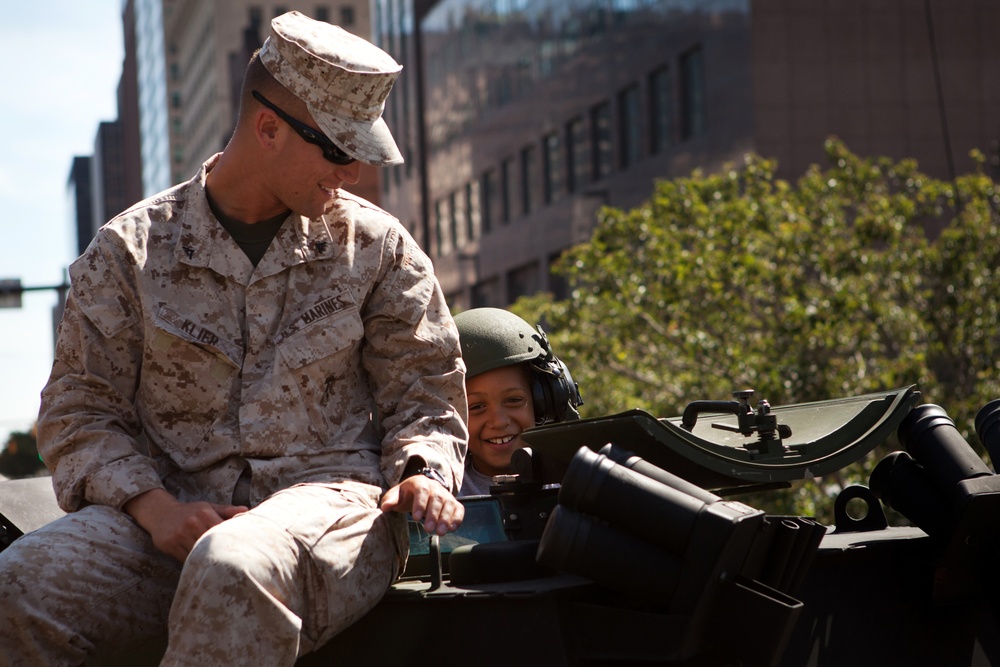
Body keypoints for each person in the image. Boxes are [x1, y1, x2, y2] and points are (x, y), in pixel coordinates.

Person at [0, 12, 467, 666]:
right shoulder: (128, 253)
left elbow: (427, 394)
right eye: (339, 149)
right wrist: (156, 508)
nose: (354, 173)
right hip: (169, 528)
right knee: (20, 582)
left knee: (234, 565)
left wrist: (421, 470)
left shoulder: (380, 250)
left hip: (332, 512)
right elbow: (80, 410)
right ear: (269, 127)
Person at [454, 308, 582, 496]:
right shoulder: (439, 492)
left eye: (513, 400)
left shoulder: (578, 484)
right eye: (477, 407)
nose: (498, 421)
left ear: (544, 402)